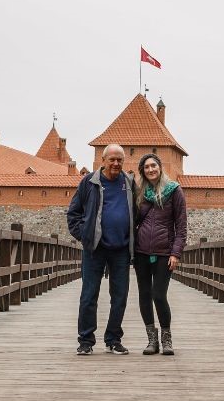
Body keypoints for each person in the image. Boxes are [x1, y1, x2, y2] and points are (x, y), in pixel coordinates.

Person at [67, 144, 135, 355]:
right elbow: (73, 214)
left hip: (121, 248)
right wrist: (86, 236)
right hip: (94, 249)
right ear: (103, 160)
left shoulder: (129, 183)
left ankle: (113, 339)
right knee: (89, 295)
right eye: (112, 159)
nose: (116, 164)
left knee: (120, 296)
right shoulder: (89, 182)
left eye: (119, 160)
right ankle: (86, 341)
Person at [134, 153, 187, 355]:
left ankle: (166, 339)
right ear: (142, 171)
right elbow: (132, 221)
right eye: (146, 167)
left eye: (153, 165)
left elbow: (181, 227)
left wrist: (176, 253)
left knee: (159, 295)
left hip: (165, 252)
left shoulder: (174, 191)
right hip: (141, 252)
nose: (150, 170)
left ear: (160, 167)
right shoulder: (139, 192)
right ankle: (151, 340)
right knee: (144, 296)